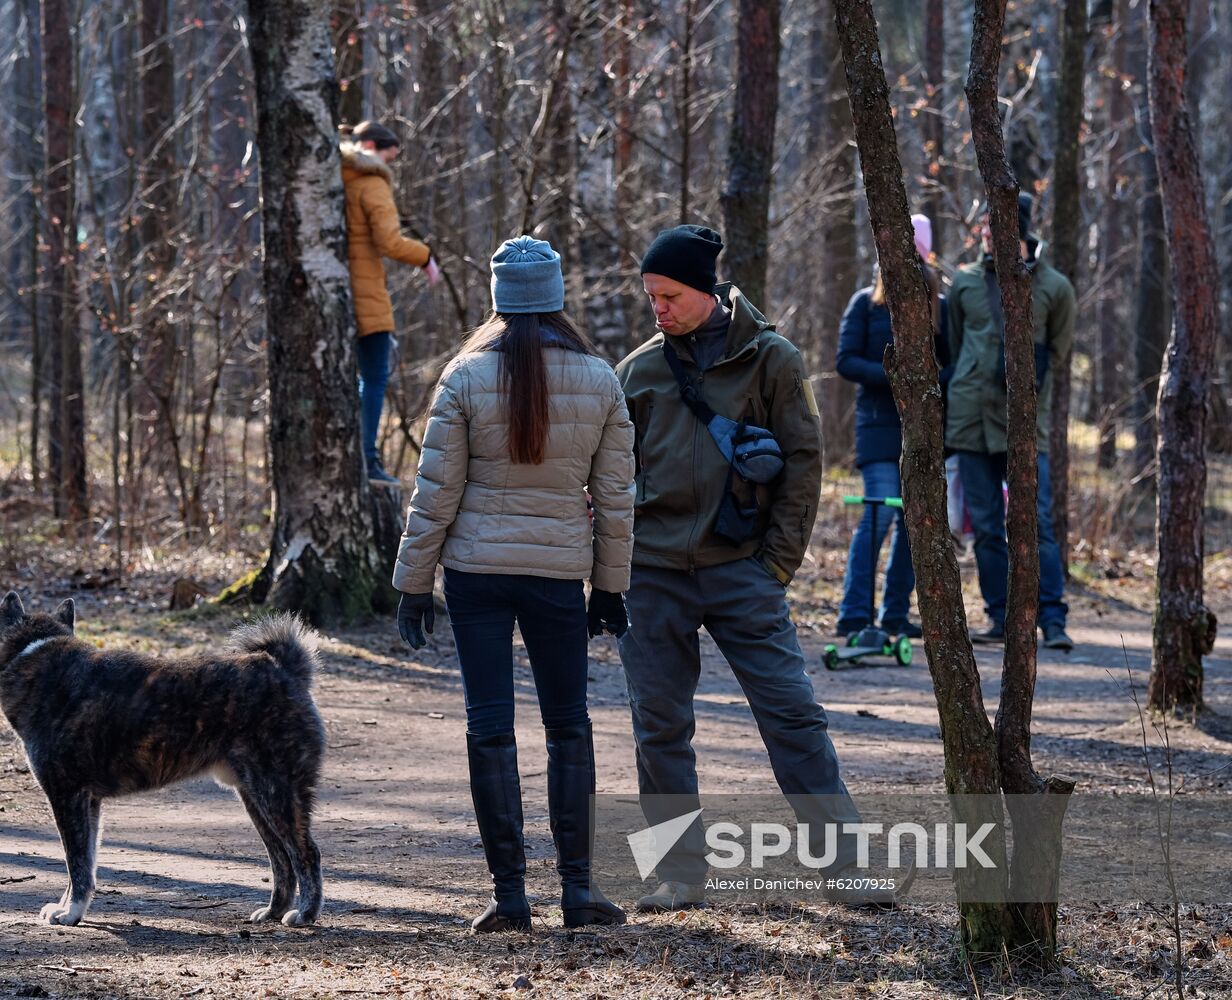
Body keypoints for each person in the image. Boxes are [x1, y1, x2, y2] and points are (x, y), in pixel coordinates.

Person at [616, 225, 890, 911]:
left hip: (743, 571)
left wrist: (776, 565)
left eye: (669, 296)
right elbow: (611, 474)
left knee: (793, 718)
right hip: (651, 574)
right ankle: (679, 874)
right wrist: (613, 566)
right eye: (650, 297)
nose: (658, 308)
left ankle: (848, 869)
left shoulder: (773, 359)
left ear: (706, 291)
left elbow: (803, 465)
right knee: (658, 727)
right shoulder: (638, 371)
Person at [392, 236, 635, 932]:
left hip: (477, 576)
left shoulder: (464, 376)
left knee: (490, 727)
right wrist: (609, 587)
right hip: (557, 575)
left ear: (499, 299)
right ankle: (579, 892)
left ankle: (509, 897)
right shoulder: (599, 379)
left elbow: (435, 491)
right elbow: (615, 498)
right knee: (569, 726)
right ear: (556, 297)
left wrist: (414, 581)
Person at [945, 192, 1075, 650]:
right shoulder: (964, 283)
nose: (983, 232)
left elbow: (1058, 353)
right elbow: (956, 347)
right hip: (969, 422)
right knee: (984, 527)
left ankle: (1052, 619)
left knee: (1036, 523)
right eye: (982, 225)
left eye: (991, 224)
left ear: (1015, 227)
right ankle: (999, 617)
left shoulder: (1055, 287)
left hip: (1025, 427)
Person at [834, 214, 948, 639]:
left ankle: (895, 614)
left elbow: (952, 365)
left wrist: (931, 383)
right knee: (879, 514)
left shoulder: (940, 304)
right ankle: (854, 614)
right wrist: (896, 375)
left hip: (923, 432)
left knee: (914, 523)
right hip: (877, 428)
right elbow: (846, 361)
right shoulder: (865, 303)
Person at [340, 120, 441, 487]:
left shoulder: (336, 177)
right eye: (390, 157)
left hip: (339, 291)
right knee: (374, 377)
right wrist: (426, 257)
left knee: (349, 377)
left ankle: (352, 456)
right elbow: (389, 241)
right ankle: (367, 460)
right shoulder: (370, 181)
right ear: (370, 147)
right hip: (365, 294)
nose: (390, 165)